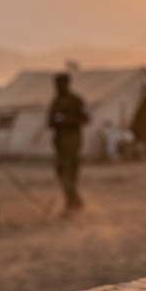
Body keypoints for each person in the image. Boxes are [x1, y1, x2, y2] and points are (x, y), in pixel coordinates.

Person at [47, 73, 88, 211]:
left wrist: (68, 120)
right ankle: (73, 198)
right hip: (59, 142)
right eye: (57, 84)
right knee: (60, 171)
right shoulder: (55, 102)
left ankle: (71, 201)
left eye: (61, 84)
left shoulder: (76, 101)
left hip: (72, 140)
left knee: (70, 170)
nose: (58, 87)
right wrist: (58, 121)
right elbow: (49, 122)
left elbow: (86, 118)